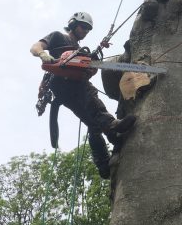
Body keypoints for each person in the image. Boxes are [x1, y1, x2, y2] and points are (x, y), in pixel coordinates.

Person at [30, 11, 136, 179]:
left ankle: (104, 164)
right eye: (83, 27)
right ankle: (113, 126)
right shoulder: (58, 37)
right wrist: (44, 55)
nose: (85, 31)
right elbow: (35, 47)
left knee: (92, 123)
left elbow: (86, 69)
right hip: (62, 82)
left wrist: (91, 62)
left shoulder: (80, 50)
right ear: (73, 24)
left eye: (88, 29)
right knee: (90, 94)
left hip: (73, 84)